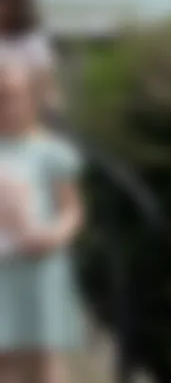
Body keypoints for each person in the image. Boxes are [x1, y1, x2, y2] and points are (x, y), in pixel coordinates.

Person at [0, 57, 84, 383]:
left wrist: (55, 236)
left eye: (13, 97)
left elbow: (72, 209)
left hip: (41, 267)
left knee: (44, 357)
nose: (7, 108)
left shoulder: (49, 151)